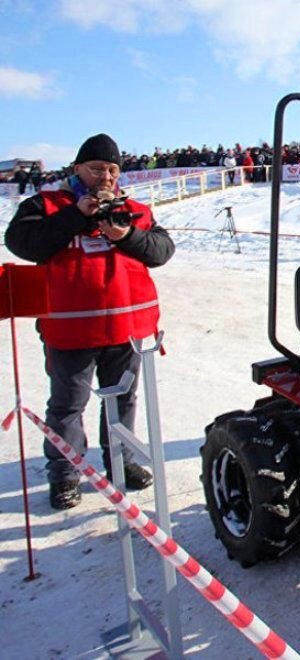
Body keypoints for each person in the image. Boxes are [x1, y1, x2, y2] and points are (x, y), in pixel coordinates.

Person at [3, 133, 175, 510]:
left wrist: (125, 234)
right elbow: (23, 243)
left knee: (122, 402)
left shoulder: (134, 210)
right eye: (97, 168)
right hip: (71, 330)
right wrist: (76, 215)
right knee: (68, 405)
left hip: (126, 330)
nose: (106, 176)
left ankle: (121, 462)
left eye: (113, 169)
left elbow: (162, 251)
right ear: (78, 168)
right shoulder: (45, 204)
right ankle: (65, 474)